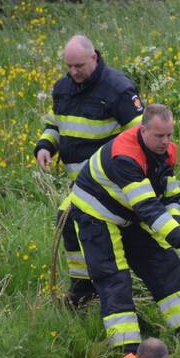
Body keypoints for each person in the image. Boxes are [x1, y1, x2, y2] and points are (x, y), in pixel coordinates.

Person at [70, 104, 180, 352]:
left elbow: (170, 198)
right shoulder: (125, 156)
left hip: (129, 213)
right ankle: (128, 353)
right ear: (143, 130)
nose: (166, 142)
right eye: (159, 136)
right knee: (115, 279)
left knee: (165, 265)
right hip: (96, 214)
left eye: (169, 135)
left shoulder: (166, 152)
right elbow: (149, 208)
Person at [35, 35, 144, 306]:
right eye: (69, 66)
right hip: (80, 182)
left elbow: (141, 136)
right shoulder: (63, 88)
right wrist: (45, 146)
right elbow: (55, 124)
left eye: (79, 66)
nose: (74, 72)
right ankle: (85, 287)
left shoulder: (117, 88)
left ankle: (89, 289)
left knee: (69, 216)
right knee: (69, 221)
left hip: (108, 181)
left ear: (94, 57)